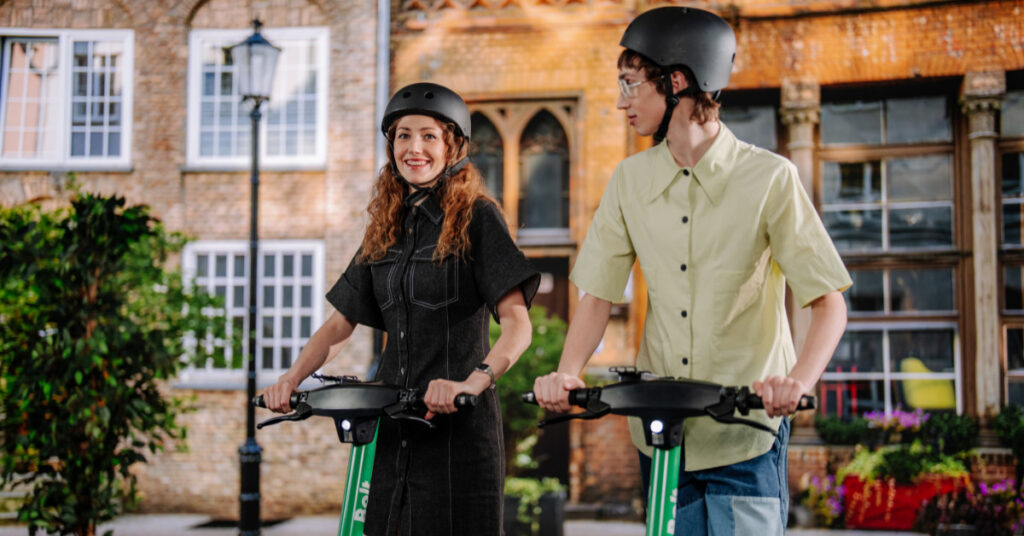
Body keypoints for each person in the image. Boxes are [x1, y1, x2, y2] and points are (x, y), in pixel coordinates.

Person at [532, 7, 851, 535]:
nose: (621, 101)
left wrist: (796, 383)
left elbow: (828, 303)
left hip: (745, 433)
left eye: (630, 84)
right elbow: (597, 296)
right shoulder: (629, 181)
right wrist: (568, 372)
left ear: (675, 81)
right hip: (663, 436)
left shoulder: (770, 178)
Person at [262, 82, 540, 535]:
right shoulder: (385, 227)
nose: (414, 148)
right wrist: (292, 379)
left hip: (457, 435)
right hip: (391, 432)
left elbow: (518, 326)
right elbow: (339, 325)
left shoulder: (477, 218)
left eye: (429, 136)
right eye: (403, 136)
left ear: (452, 146)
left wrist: (471, 383)